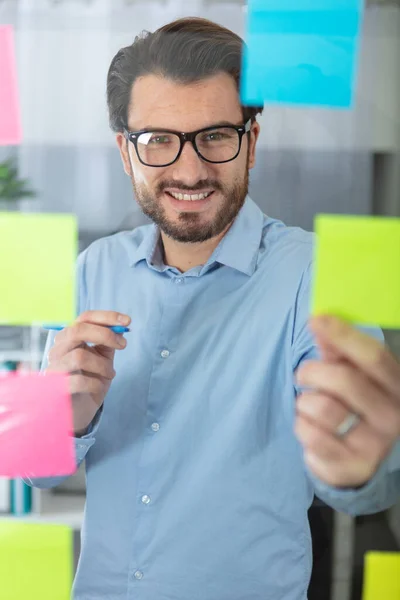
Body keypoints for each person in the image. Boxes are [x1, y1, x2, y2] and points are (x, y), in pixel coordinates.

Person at [28, 17, 400, 600]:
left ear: (251, 142)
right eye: (158, 140)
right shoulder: (91, 269)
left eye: (216, 136)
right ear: (126, 153)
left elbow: (367, 480)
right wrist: (66, 415)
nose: (190, 169)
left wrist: (362, 456)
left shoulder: (318, 276)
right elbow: (39, 471)